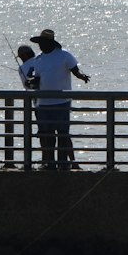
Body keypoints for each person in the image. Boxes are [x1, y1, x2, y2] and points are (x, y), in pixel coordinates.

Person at [24, 29, 90, 170]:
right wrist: (31, 82)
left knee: (62, 134)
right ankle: (50, 164)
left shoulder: (64, 55)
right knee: (47, 136)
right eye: (39, 43)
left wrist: (83, 77)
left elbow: (76, 71)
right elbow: (37, 78)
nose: (41, 46)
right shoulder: (39, 59)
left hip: (62, 102)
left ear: (51, 43)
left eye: (43, 42)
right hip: (43, 103)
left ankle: (63, 163)